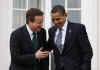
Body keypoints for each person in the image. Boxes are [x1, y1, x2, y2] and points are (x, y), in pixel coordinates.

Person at [48, 5, 93, 70]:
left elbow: (88, 52)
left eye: (58, 19)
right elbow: (48, 47)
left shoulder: (78, 28)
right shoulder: (51, 31)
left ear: (65, 15)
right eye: (53, 20)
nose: (55, 22)